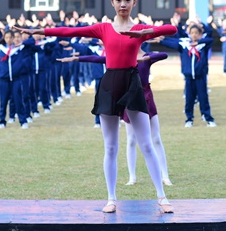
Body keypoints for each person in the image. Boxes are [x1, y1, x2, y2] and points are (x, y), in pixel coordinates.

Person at [16, 0, 177, 214]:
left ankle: (162, 197)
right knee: (110, 146)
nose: (123, 4)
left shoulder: (141, 28)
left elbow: (172, 29)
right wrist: (38, 32)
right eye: (118, 0)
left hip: (132, 85)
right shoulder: (103, 28)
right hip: (110, 85)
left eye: (127, 0)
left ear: (134, 3)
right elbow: (70, 31)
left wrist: (145, 33)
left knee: (146, 144)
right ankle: (111, 198)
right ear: (112, 3)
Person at [62, 47, 172, 186]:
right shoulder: (123, 58)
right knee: (131, 139)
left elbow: (164, 54)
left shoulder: (147, 56)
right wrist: (77, 58)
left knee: (155, 138)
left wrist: (145, 58)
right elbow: (98, 59)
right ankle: (132, 177)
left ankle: (165, 175)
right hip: (129, 99)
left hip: (146, 97)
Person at [155, 24, 216, 128]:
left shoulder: (203, 45)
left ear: (200, 34)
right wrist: (162, 40)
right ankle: (189, 119)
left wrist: (198, 42)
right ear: (189, 34)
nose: (194, 35)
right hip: (189, 78)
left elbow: (210, 40)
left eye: (196, 33)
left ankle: (208, 118)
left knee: (203, 98)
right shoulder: (185, 45)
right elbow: (173, 43)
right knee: (189, 99)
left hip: (200, 77)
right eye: (192, 33)